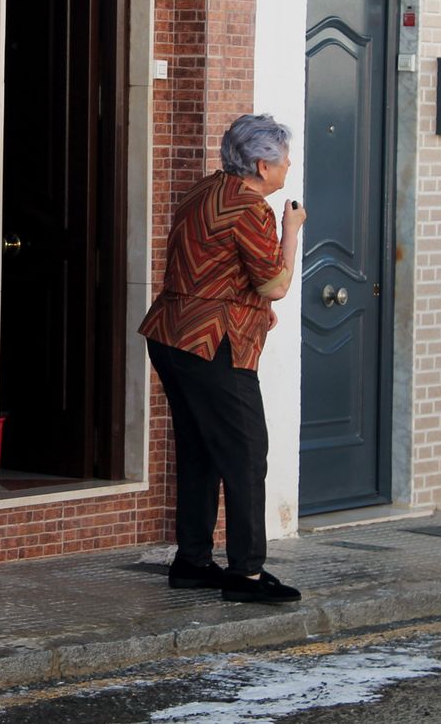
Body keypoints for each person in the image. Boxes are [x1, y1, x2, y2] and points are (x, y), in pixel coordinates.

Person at [138, 113, 306, 604]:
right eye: (283, 158)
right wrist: (291, 229)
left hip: (171, 333)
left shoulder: (204, 189)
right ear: (261, 164)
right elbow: (274, 283)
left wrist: (252, 309)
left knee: (199, 451)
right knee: (246, 454)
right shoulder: (252, 208)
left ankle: (192, 562)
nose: (288, 165)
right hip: (212, 343)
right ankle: (246, 574)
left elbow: (212, 268)